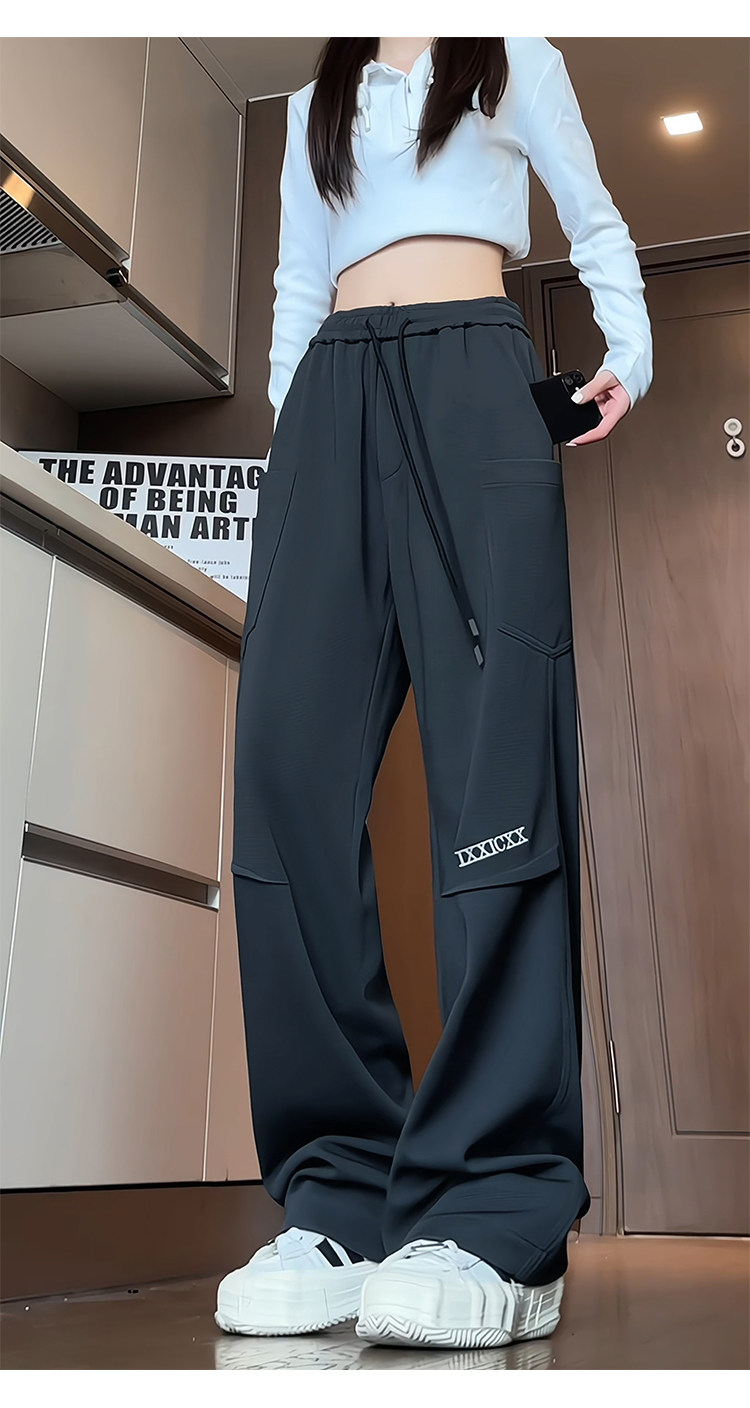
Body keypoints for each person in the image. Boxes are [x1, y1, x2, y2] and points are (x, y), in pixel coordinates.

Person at [216, 36, 653, 1351]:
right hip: (329, 402)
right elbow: (297, 284)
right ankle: (341, 1193)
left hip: (472, 378)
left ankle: (498, 1208)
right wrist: (295, 457)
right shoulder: (315, 102)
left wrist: (625, 346)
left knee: (494, 782)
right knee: (285, 783)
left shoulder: (512, 53)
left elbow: (592, 213)